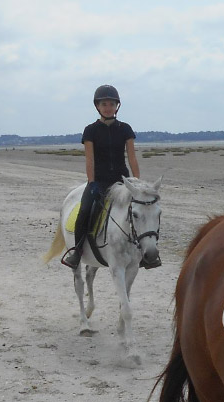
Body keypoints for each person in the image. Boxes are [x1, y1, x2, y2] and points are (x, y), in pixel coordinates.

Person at [62, 84, 141, 268]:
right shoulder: (90, 131)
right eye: (104, 104)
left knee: (142, 212)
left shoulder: (125, 129)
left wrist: (137, 182)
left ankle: (144, 251)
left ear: (117, 106)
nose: (108, 107)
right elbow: (89, 160)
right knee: (84, 211)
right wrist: (92, 182)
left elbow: (132, 158)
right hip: (99, 181)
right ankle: (77, 250)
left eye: (111, 104)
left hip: (122, 182)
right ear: (98, 107)